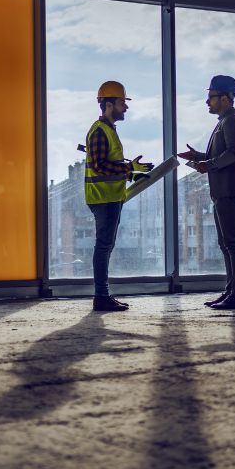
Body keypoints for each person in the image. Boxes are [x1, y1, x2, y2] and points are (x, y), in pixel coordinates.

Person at [177, 75, 235, 310]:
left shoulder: (232, 121)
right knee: (226, 243)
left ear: (226, 98)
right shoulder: (224, 121)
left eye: (211, 97)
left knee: (233, 243)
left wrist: (207, 165)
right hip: (223, 191)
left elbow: (234, 153)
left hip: (231, 190)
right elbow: (223, 153)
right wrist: (199, 156)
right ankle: (231, 291)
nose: (207, 102)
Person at [85, 81, 153, 312]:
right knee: (103, 246)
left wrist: (131, 169)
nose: (126, 107)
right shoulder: (99, 131)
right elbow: (99, 165)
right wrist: (128, 171)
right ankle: (101, 296)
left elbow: (108, 162)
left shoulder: (109, 130)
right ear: (108, 104)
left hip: (110, 197)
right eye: (122, 102)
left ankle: (103, 295)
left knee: (106, 245)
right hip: (102, 198)